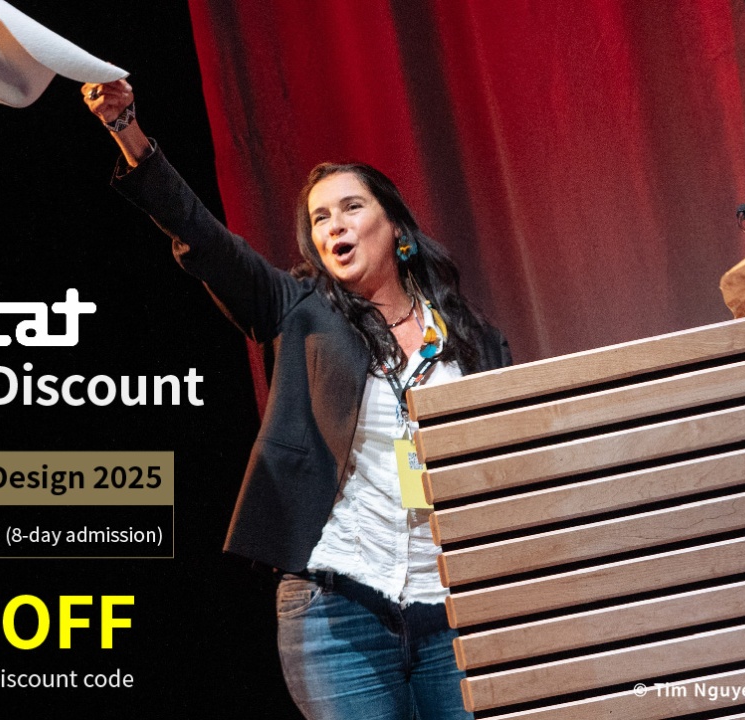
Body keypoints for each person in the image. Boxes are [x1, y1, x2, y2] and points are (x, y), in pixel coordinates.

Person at [84, 80, 511, 720]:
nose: (333, 225)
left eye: (350, 207)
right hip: (337, 609)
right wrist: (128, 131)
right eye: (319, 218)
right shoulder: (300, 309)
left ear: (397, 228)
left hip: (452, 607)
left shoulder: (473, 338)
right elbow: (204, 238)